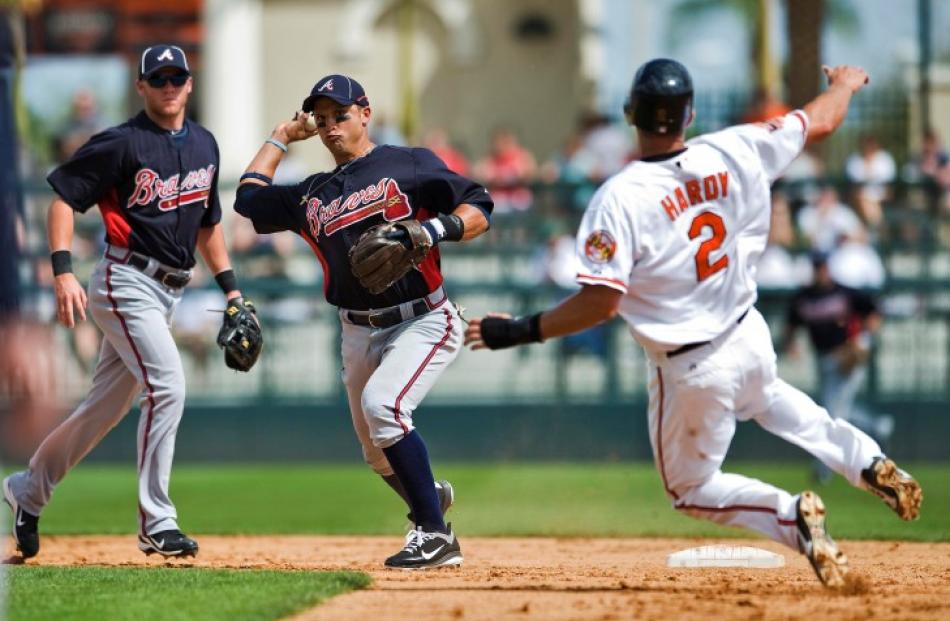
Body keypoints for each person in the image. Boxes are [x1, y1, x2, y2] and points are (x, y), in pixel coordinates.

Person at [464, 59, 923, 588]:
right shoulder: (737, 146)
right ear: (691, 112)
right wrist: (844, 84)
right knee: (771, 399)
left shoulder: (620, 197)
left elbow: (600, 304)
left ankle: (791, 515)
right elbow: (819, 120)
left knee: (689, 487)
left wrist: (520, 330)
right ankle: (866, 460)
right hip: (747, 332)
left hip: (691, 363)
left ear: (630, 114)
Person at [3, 44, 253, 561]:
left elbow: (208, 228)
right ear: (141, 87)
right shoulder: (120, 143)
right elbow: (62, 201)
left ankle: (27, 490)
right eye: (157, 78)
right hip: (125, 279)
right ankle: (157, 522)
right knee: (168, 384)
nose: (168, 86)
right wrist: (63, 271)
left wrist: (231, 289)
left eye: (176, 77)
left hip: (170, 288)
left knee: (102, 411)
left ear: (189, 84)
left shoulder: (206, 144)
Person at [233, 74, 493, 569]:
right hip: (356, 328)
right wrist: (282, 136)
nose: (331, 128)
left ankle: (436, 535)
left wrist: (431, 228)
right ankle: (427, 498)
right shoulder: (312, 193)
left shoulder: (408, 163)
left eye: (342, 116)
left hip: (424, 318)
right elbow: (247, 199)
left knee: (384, 407)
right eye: (323, 119)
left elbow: (479, 207)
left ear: (366, 113)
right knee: (376, 454)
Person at [783, 252, 893, 483]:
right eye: (817, 267)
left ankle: (823, 469)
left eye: (823, 266)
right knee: (836, 409)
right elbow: (792, 323)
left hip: (847, 357)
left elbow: (873, 311)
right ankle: (876, 426)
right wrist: (791, 344)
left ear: (829, 268)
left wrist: (863, 339)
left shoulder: (844, 292)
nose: (821, 271)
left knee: (833, 412)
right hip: (823, 359)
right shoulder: (804, 297)